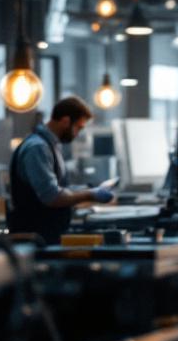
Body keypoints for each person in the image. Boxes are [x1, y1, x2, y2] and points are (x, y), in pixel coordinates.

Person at [7, 96, 114, 244]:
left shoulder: (51, 146)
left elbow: (61, 189)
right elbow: (52, 196)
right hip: (35, 241)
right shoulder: (38, 148)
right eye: (78, 127)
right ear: (65, 121)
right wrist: (90, 194)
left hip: (48, 236)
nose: (77, 134)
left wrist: (89, 189)